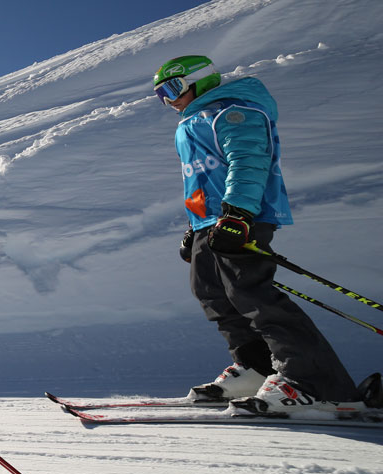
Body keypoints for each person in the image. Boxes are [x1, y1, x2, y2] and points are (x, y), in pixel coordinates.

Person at [153, 55, 369, 414]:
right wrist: (195, 227)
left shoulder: (233, 111)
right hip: (212, 222)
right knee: (212, 293)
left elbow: (249, 161)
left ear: (201, 80)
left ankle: (312, 382)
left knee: (252, 294)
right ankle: (256, 368)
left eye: (173, 88)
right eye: (160, 94)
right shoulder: (190, 124)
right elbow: (201, 181)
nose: (168, 100)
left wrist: (238, 213)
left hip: (243, 216)